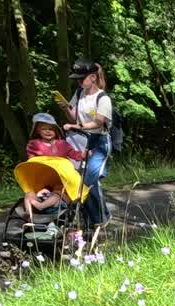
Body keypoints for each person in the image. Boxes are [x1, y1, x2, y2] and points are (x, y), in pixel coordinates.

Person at [57, 58, 113, 227]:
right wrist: (65, 107)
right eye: (77, 79)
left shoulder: (103, 98)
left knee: (89, 179)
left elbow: (98, 122)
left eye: (82, 78)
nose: (79, 82)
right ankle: (90, 218)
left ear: (93, 77)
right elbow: (73, 116)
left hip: (99, 142)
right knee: (79, 180)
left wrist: (77, 126)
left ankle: (101, 218)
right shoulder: (79, 94)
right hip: (81, 141)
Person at [22, 113, 83, 224]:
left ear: (56, 130)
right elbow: (31, 162)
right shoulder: (34, 144)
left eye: (51, 129)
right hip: (43, 179)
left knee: (57, 194)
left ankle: (40, 206)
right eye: (44, 129)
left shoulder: (62, 144)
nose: (48, 131)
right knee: (29, 193)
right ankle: (29, 216)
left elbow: (74, 154)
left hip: (60, 179)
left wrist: (84, 155)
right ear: (37, 131)